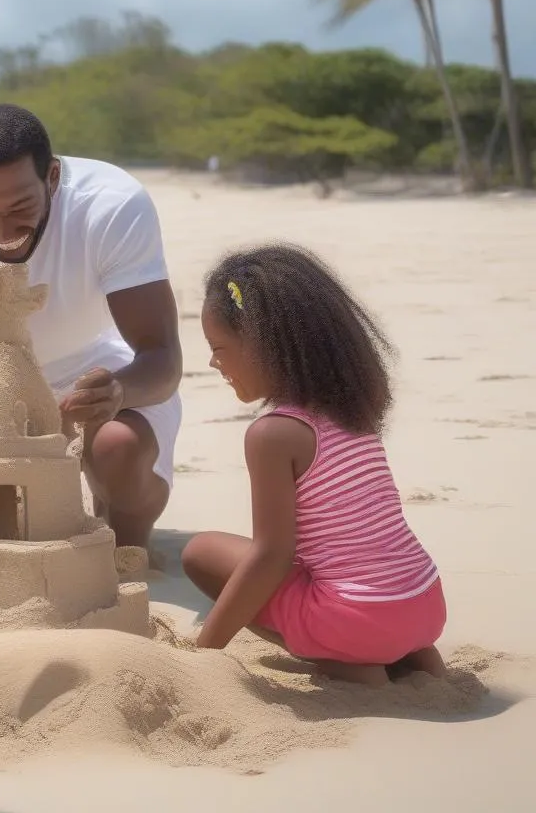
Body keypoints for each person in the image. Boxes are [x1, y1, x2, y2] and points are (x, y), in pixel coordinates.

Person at [0, 103, 183, 550]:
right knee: (0, 531)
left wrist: (116, 393)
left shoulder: (111, 205)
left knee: (117, 462)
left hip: (101, 371)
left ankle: (125, 540)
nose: (1, 231)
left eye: (20, 209)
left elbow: (163, 359)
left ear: (53, 178)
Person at [181, 243, 447, 685]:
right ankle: (414, 656)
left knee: (201, 554)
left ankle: (351, 664)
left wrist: (204, 651)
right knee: (335, 567)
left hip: (359, 621)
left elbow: (272, 555)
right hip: (424, 602)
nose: (213, 362)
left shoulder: (273, 435)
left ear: (266, 347)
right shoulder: (354, 411)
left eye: (220, 348)